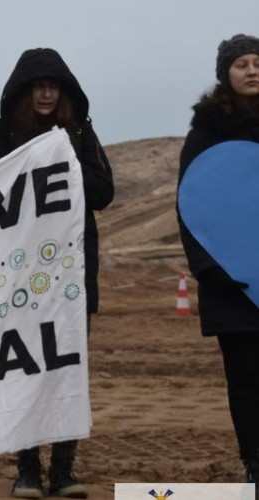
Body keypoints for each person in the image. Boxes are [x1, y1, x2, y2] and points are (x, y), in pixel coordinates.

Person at [0, 48, 114, 499]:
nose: (45, 92)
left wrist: (65, 159)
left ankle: (63, 471)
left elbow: (102, 192)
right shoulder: (3, 134)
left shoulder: (81, 132)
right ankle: (26, 471)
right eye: (37, 86)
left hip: (74, 273)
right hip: (19, 275)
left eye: (53, 85)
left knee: (67, 369)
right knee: (20, 370)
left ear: (64, 90)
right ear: (23, 92)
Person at [177, 33, 259, 484]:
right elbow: (191, 205)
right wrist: (211, 269)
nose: (252, 70)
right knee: (246, 380)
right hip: (232, 283)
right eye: (242, 63)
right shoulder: (207, 133)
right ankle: (254, 463)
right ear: (225, 73)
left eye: (257, 62)